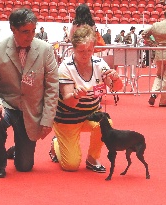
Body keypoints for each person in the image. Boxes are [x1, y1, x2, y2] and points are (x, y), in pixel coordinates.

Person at [0, 8, 59, 178]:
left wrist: (47, 119)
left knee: (24, 166)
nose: (30, 36)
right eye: (25, 32)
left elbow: (53, 87)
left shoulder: (46, 50)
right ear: (13, 29)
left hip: (31, 110)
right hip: (7, 105)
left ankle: (17, 149)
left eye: (33, 31)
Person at [51, 25, 123, 172]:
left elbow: (116, 87)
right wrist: (76, 95)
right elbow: (69, 101)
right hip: (67, 118)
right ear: (73, 49)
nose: (85, 54)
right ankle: (56, 144)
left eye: (89, 50)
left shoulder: (100, 64)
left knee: (106, 122)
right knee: (71, 166)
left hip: (90, 115)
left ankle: (92, 158)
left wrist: (115, 78)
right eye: (81, 51)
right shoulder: (65, 68)